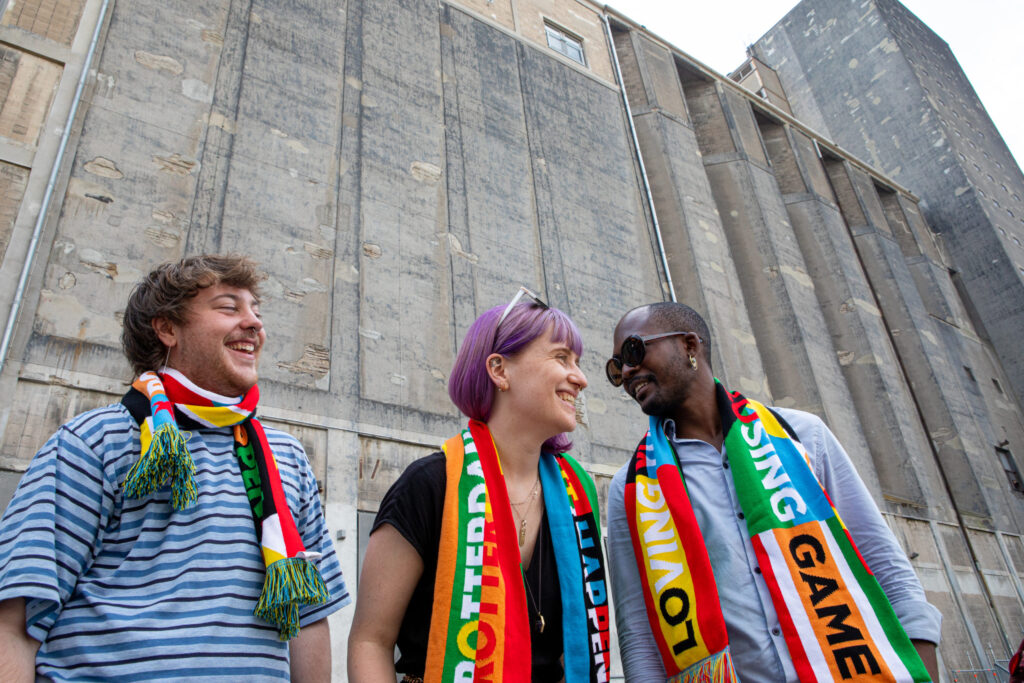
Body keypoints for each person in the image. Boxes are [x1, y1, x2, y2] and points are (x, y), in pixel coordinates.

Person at [0, 254, 349, 681]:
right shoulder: (97, 440)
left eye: (256, 310)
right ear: (167, 329)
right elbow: (14, 618)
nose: (255, 323)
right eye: (229, 307)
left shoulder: (287, 457)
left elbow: (308, 619)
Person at [605, 302, 942, 682]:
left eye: (633, 351)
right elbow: (638, 633)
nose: (628, 371)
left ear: (689, 345)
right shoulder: (630, 490)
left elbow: (883, 563)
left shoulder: (802, 435)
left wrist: (922, 668)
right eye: (617, 368)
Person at [348, 287, 611, 682]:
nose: (581, 378)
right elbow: (371, 641)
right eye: (562, 358)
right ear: (499, 370)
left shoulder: (579, 498)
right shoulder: (430, 485)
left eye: (578, 362)